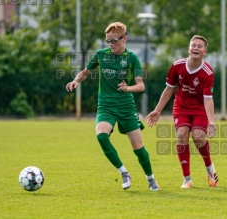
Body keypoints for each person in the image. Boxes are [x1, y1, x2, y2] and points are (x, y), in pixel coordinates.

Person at [65, 22, 160, 191]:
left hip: (126, 107)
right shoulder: (101, 55)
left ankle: (150, 178)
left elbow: (141, 86)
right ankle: (124, 172)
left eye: (114, 41)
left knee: (138, 148)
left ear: (125, 39)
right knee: (101, 136)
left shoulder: (132, 58)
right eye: (108, 41)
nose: (111, 44)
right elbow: (85, 72)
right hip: (105, 106)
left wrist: (127, 88)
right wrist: (75, 80)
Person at [147, 35, 218, 189]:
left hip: (200, 109)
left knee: (199, 138)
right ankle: (187, 179)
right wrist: (157, 111)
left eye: (200, 46)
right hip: (181, 107)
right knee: (181, 135)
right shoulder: (177, 66)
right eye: (193, 45)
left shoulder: (207, 72)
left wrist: (212, 122)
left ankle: (210, 168)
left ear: (205, 51)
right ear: (189, 49)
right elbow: (169, 89)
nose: (196, 48)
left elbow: (208, 99)